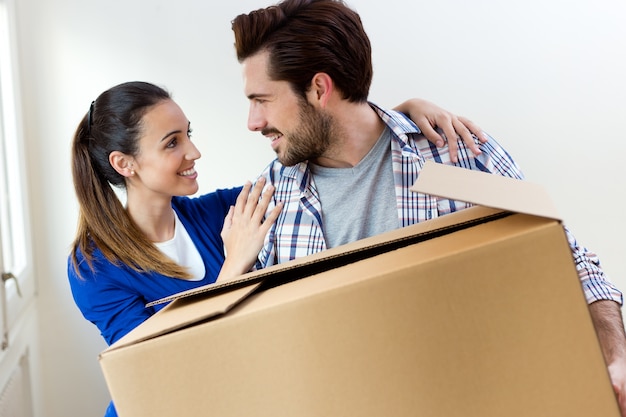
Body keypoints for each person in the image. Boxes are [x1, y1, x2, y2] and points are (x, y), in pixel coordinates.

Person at [231, 0, 626, 414]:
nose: (253, 122)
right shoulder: (269, 201)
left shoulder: (457, 152)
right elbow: (261, 354)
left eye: (262, 100)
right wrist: (233, 275)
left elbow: (572, 266)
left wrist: (614, 358)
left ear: (318, 88)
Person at [67, 81, 489, 417]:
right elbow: (154, 370)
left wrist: (400, 117)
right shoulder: (92, 268)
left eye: (188, 135)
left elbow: (316, 170)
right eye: (172, 142)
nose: (194, 152)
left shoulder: (219, 215)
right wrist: (234, 265)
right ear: (125, 164)